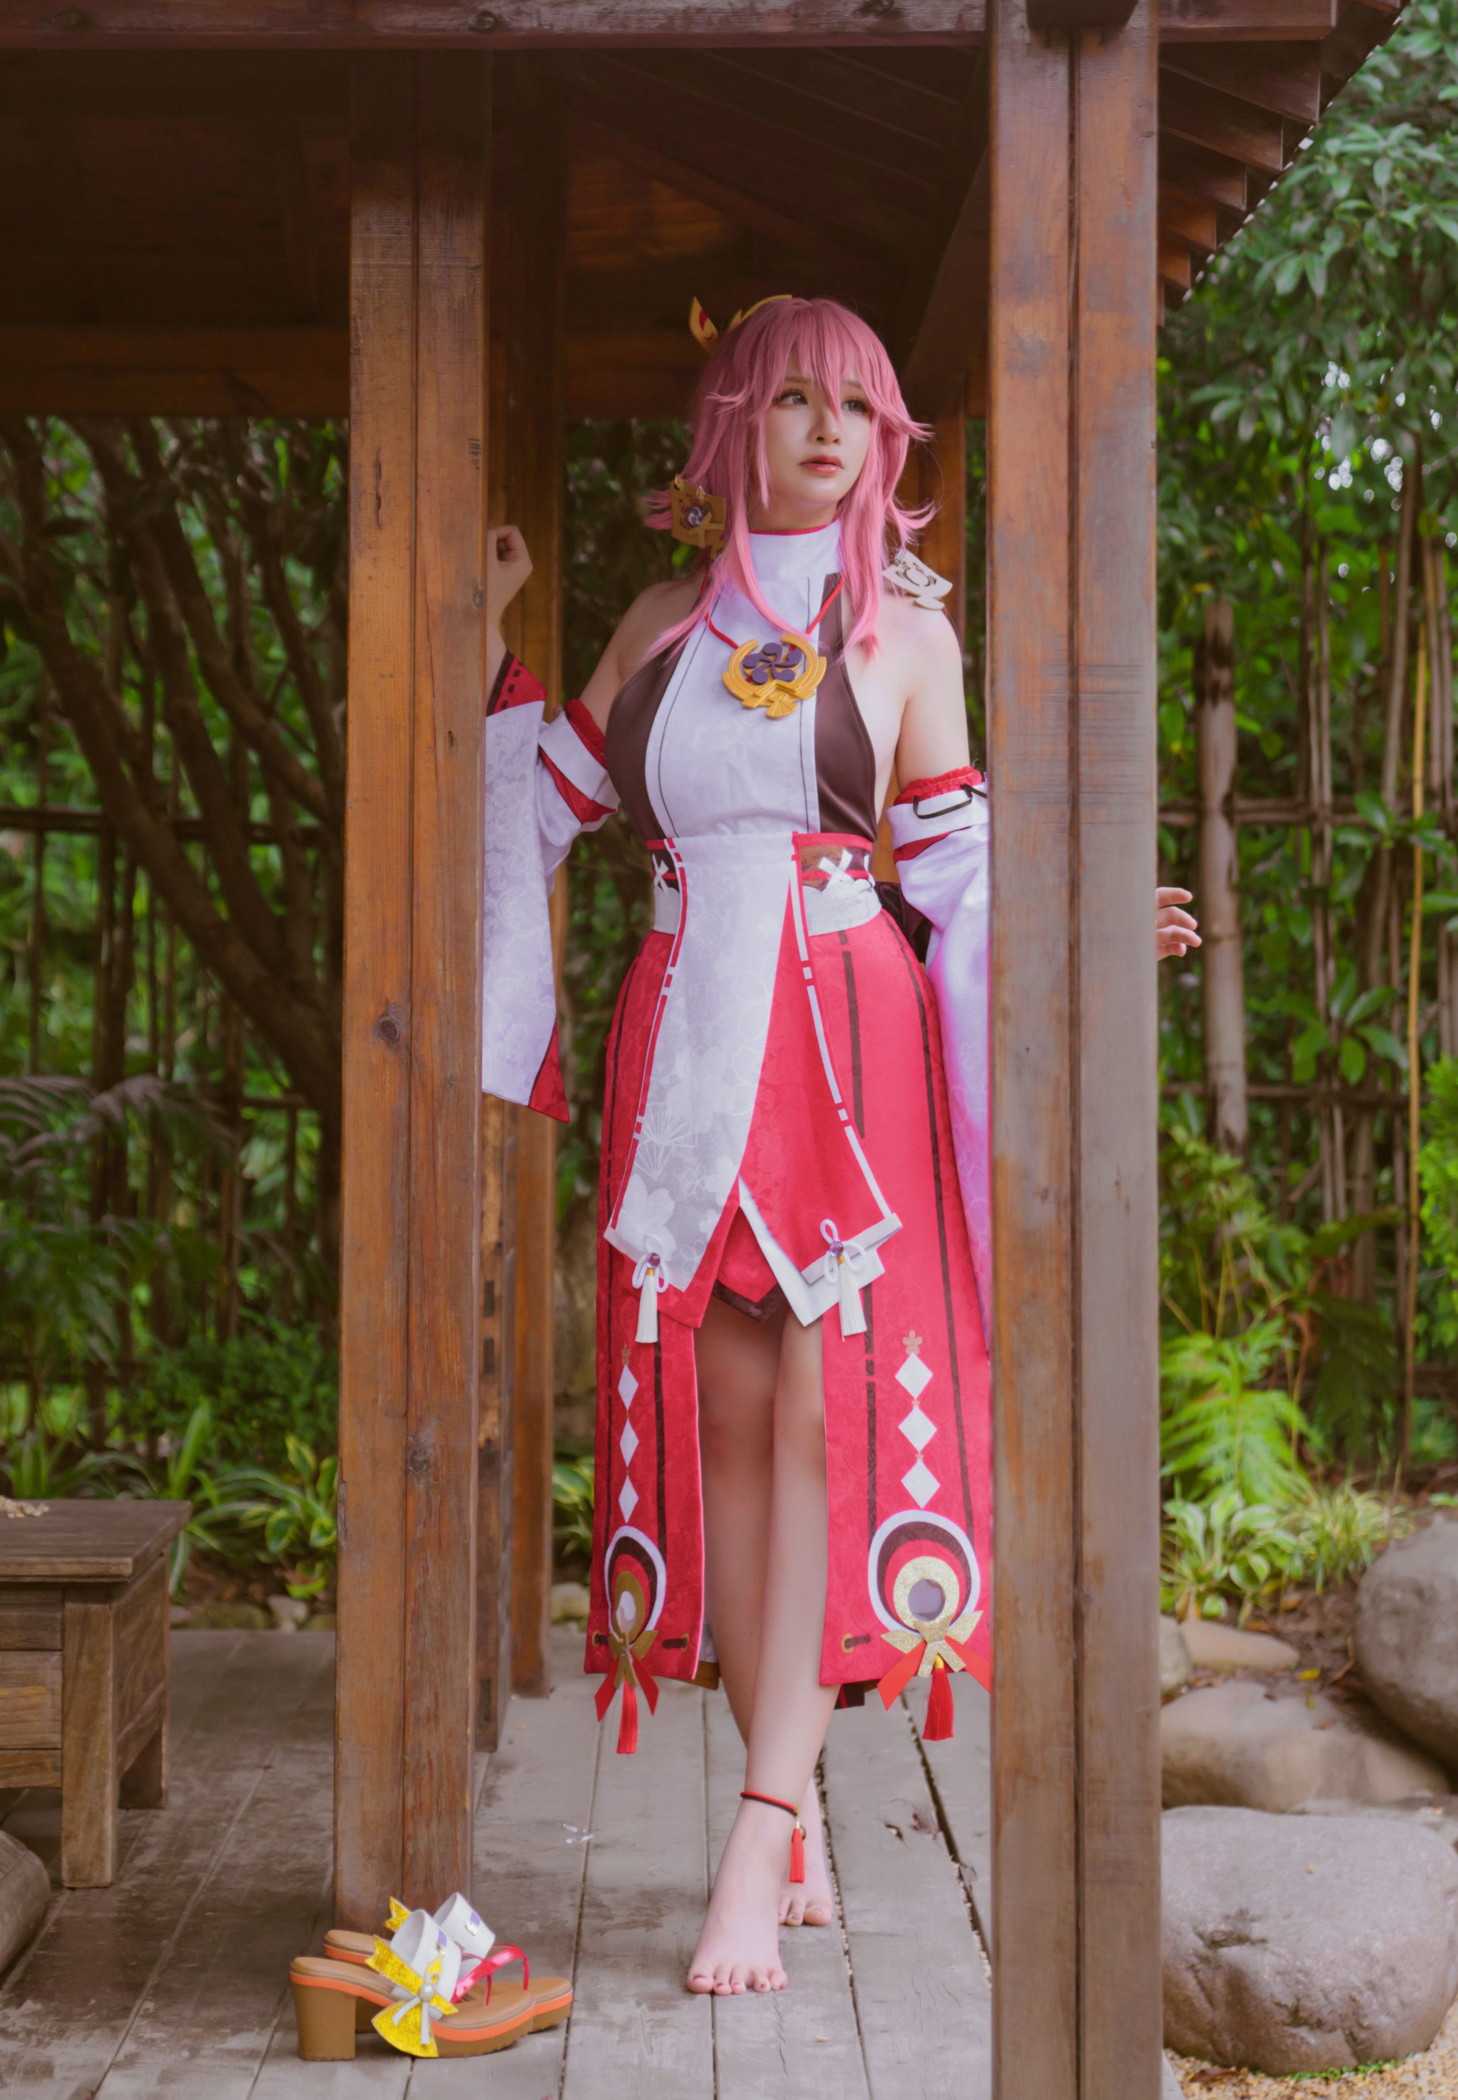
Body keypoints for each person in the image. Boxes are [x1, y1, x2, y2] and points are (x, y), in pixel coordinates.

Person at [480, 294, 1199, 2000]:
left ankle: (756, 1833)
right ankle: (781, 1796)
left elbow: (952, 864)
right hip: (683, 1040)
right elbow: (537, 810)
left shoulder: (907, 632)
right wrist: (478, 634)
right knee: (724, 1429)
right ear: (732, 420)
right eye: (796, 399)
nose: (829, 432)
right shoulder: (658, 620)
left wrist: (1086, 923)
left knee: (824, 1421)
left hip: (845, 1036)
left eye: (860, 409)